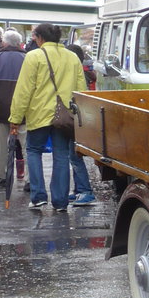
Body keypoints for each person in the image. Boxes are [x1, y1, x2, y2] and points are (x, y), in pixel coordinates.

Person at [7, 23, 87, 212]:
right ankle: (60, 202)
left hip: (39, 113)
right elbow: (81, 88)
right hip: (64, 116)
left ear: (40, 38)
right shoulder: (72, 57)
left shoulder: (34, 56)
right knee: (61, 155)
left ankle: (38, 196)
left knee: (34, 151)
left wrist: (15, 118)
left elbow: (24, 90)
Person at [64, 43, 97, 205]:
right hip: (79, 120)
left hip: (77, 120)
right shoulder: (82, 73)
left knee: (74, 156)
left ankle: (86, 191)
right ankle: (79, 190)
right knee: (73, 155)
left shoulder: (77, 74)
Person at [0, 28, 25, 190]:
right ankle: (30, 179)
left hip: (0, 110)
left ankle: (1, 175)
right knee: (27, 147)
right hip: (24, 112)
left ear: (5, 42)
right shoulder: (28, 58)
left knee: (1, 146)